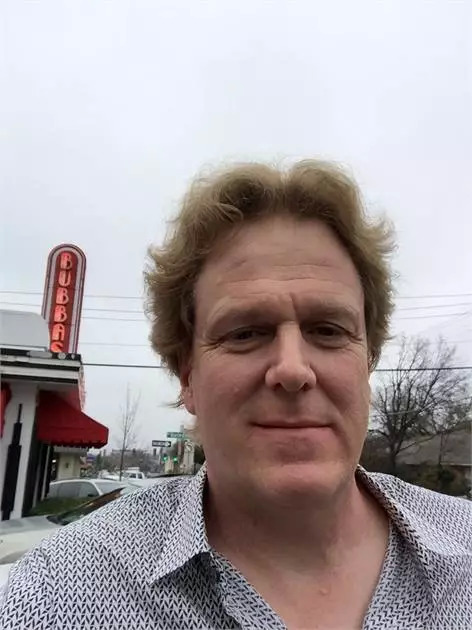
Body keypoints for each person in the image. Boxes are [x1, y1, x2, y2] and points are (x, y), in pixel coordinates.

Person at [1, 161, 470, 629]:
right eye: (245, 333)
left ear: (367, 361)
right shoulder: (56, 598)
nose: (293, 370)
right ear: (188, 377)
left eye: (328, 330)